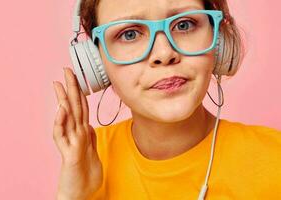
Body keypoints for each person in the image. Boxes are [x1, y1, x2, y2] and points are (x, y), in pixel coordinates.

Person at [52, 0, 281, 199]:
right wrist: (72, 197)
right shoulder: (85, 158)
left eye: (184, 25)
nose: (164, 53)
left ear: (218, 38)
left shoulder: (274, 161)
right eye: (129, 34)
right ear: (96, 62)